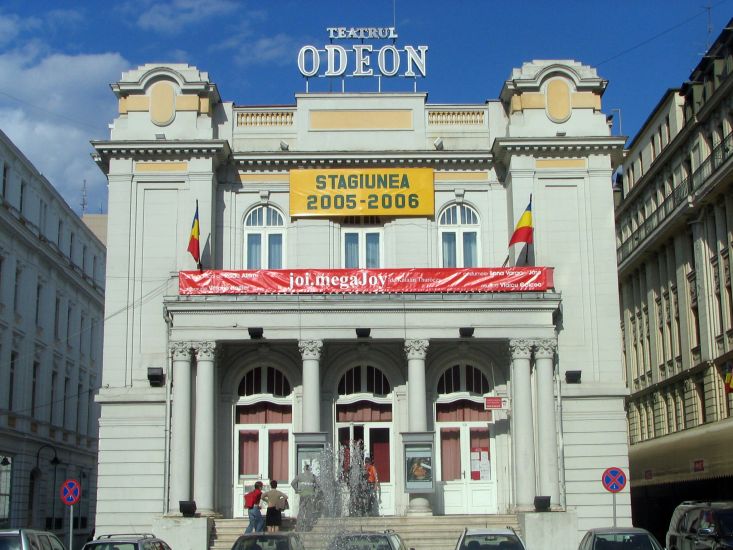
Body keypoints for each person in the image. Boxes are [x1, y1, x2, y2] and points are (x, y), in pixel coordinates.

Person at [291, 463, 318, 530]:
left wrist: (297, 490)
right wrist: (315, 492)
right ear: (309, 469)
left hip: (303, 496)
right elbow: (319, 485)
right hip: (310, 496)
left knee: (301, 510)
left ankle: (299, 526)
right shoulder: (313, 476)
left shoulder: (300, 475)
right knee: (309, 511)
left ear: (304, 469)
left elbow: (292, 483)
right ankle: (308, 527)